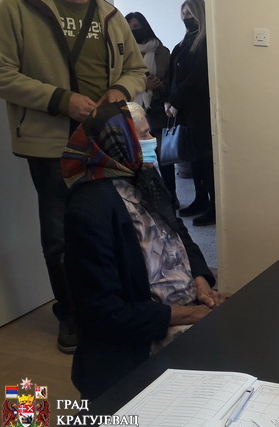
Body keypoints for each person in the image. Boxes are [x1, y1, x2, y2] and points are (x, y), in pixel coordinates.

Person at [0, 0, 147, 353]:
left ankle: (115, 307)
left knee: (117, 225)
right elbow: (0, 72)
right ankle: (73, 317)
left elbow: (136, 70)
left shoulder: (110, 14)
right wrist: (61, 100)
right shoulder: (18, 7)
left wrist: (119, 91)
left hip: (107, 143)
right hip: (50, 144)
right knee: (61, 235)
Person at [61, 101, 224, 400]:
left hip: (181, 309)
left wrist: (201, 281)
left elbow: (179, 234)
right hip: (140, 341)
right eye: (145, 134)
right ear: (120, 143)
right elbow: (107, 314)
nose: (153, 140)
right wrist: (193, 314)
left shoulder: (144, 177)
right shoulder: (90, 210)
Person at [165, 0, 215, 226]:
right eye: (183, 13)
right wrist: (168, 100)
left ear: (200, 14)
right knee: (194, 158)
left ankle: (214, 206)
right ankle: (200, 199)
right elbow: (174, 76)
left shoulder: (205, 42)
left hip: (200, 111)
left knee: (206, 159)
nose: (186, 17)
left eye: (190, 13)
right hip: (185, 111)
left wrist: (175, 101)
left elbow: (197, 77)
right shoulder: (184, 42)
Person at [125, 11, 176, 205]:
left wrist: (160, 84)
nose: (134, 31)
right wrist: (143, 84)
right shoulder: (125, 52)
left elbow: (172, 78)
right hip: (133, 110)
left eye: (137, 27)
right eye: (130, 28)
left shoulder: (162, 51)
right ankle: (146, 197)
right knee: (140, 157)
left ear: (145, 27)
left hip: (157, 109)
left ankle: (171, 196)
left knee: (164, 156)